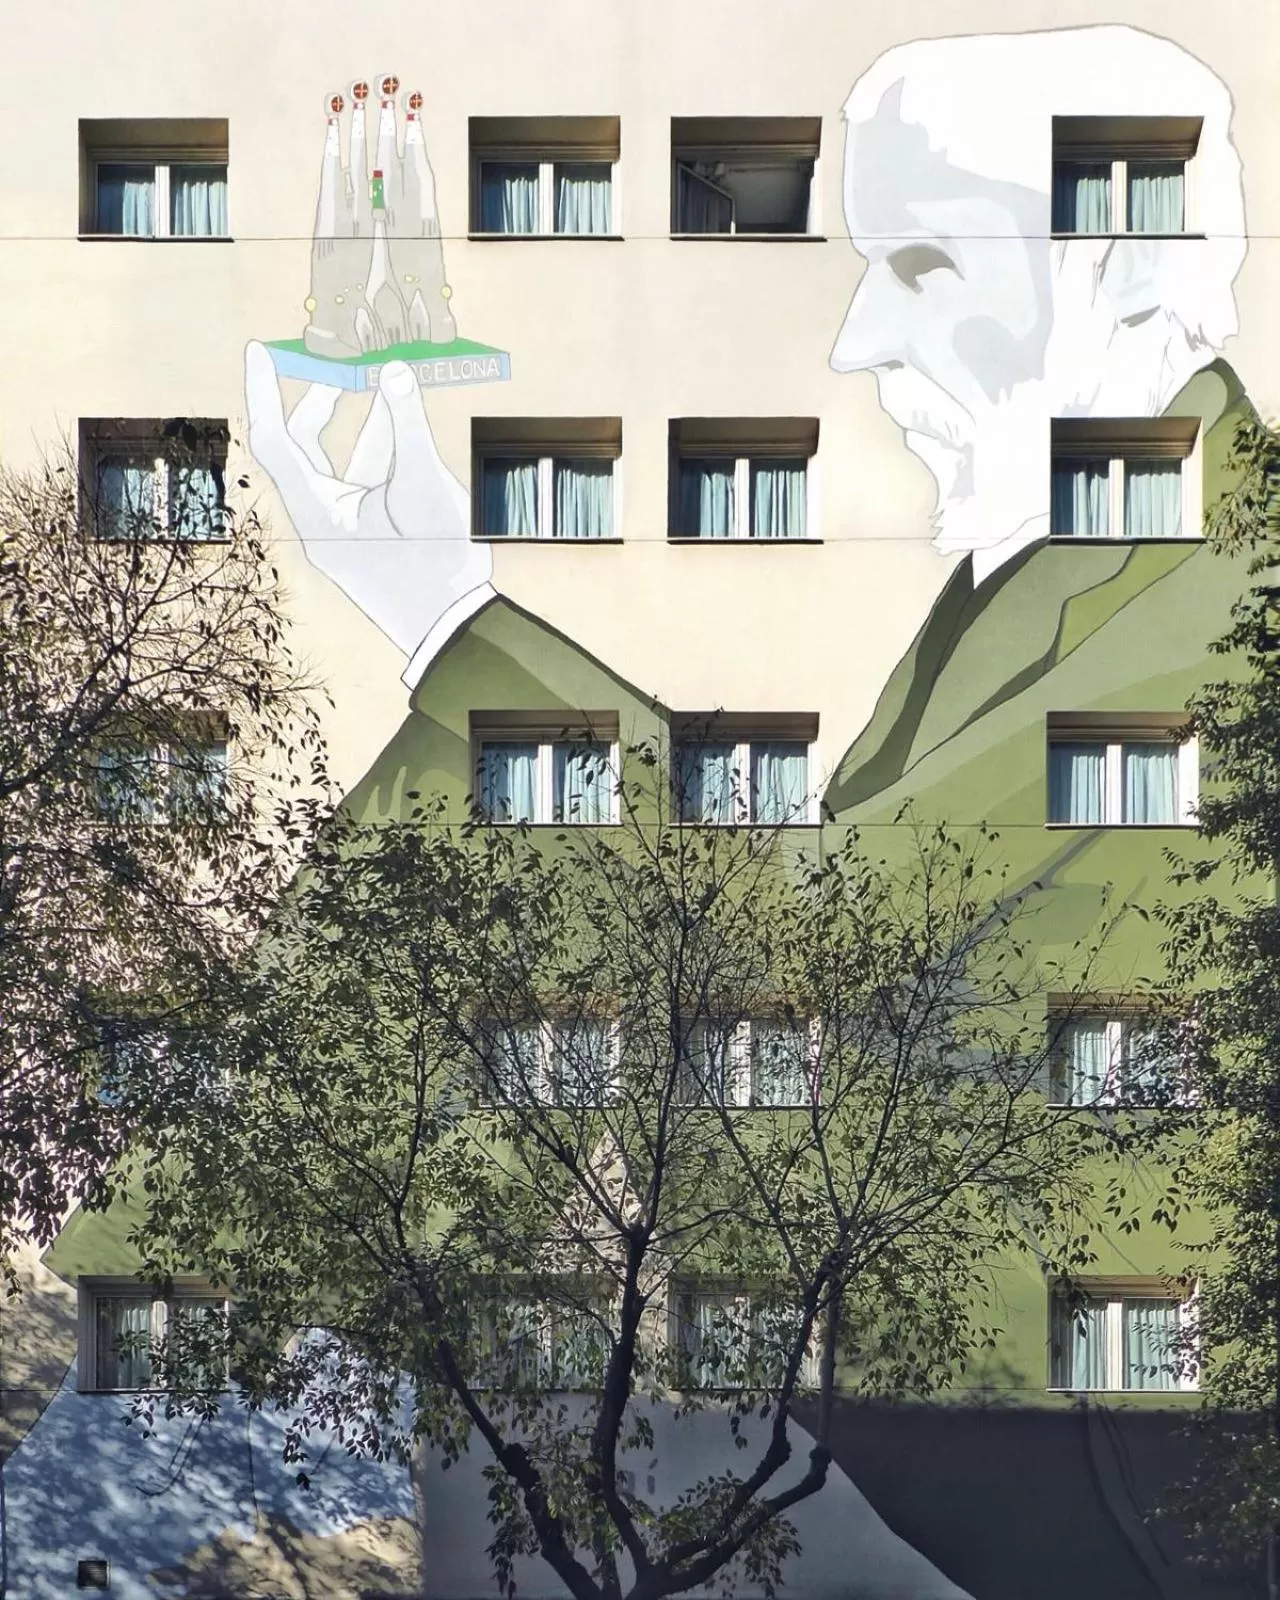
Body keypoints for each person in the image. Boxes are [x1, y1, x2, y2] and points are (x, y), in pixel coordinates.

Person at [831, 24, 1246, 579]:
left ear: (1134, 258)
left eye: (925, 263)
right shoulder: (1021, 565)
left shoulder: (1242, 586)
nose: (854, 347)